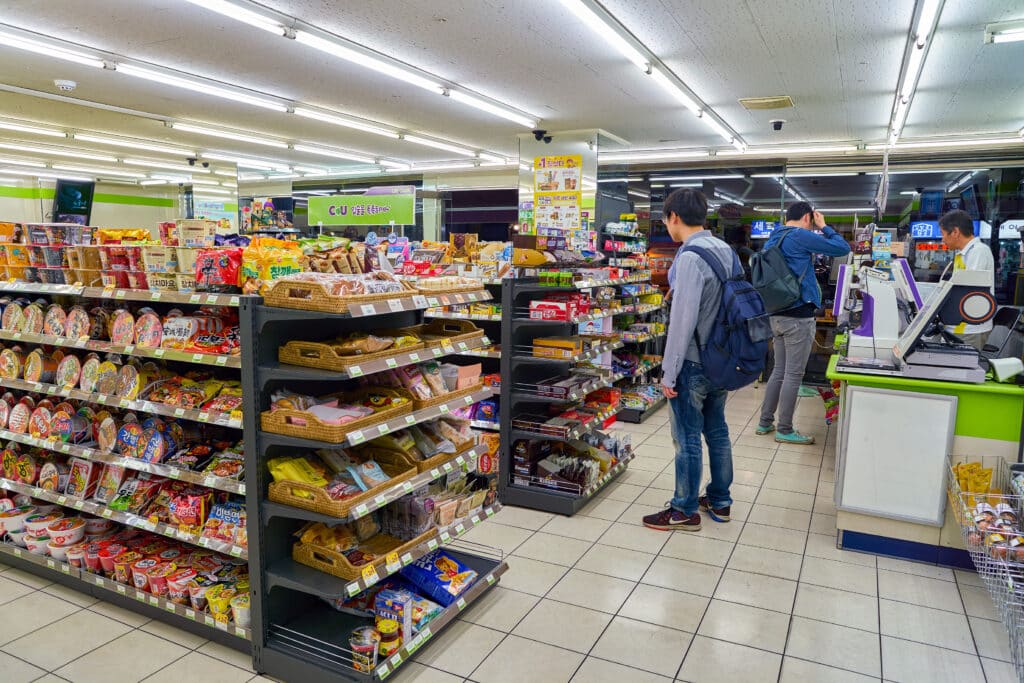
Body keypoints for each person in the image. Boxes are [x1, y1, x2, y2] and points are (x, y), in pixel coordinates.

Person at [642, 188, 736, 532]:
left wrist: (669, 373)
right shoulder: (726, 251)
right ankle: (720, 501)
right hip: (724, 358)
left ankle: (683, 509)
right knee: (718, 431)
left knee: (687, 438)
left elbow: (682, 322)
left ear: (674, 218)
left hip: (694, 361)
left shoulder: (689, 257)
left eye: (665, 220)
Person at [756, 202, 850, 445]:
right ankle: (785, 429)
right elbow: (842, 248)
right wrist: (824, 226)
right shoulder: (800, 235)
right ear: (808, 217)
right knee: (793, 375)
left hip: (776, 313)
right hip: (797, 316)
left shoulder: (774, 237)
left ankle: (765, 422)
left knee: (778, 370)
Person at [940, 209, 994, 350]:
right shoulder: (963, 254)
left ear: (955, 232)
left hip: (968, 328)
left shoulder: (978, 251)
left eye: (943, 234)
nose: (943, 239)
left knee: (960, 371)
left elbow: (968, 292)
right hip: (958, 324)